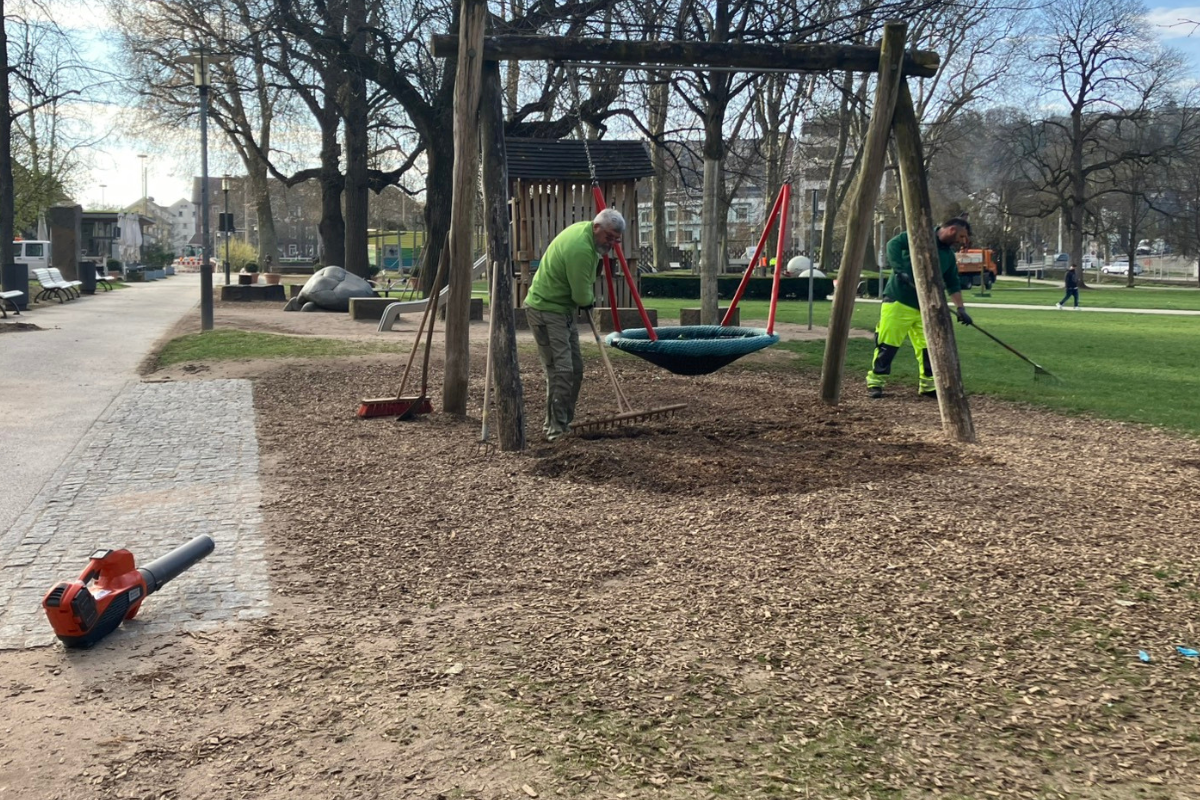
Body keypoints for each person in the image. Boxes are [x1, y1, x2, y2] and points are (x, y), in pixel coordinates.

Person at [525, 208, 625, 441]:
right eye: (608, 237)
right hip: (546, 310)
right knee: (561, 371)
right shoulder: (581, 249)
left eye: (616, 240)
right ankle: (555, 431)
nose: (611, 243)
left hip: (563, 310)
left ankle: (563, 425)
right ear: (597, 227)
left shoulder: (588, 235)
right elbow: (582, 297)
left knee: (576, 370)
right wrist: (588, 301)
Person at [866, 218, 974, 399]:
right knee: (888, 343)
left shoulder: (948, 256)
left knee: (927, 347)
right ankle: (875, 382)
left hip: (926, 307)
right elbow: (893, 244)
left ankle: (928, 385)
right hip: (898, 300)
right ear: (952, 229)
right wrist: (899, 269)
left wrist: (961, 309)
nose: (962, 241)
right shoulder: (920, 236)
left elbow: (953, 283)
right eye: (961, 236)